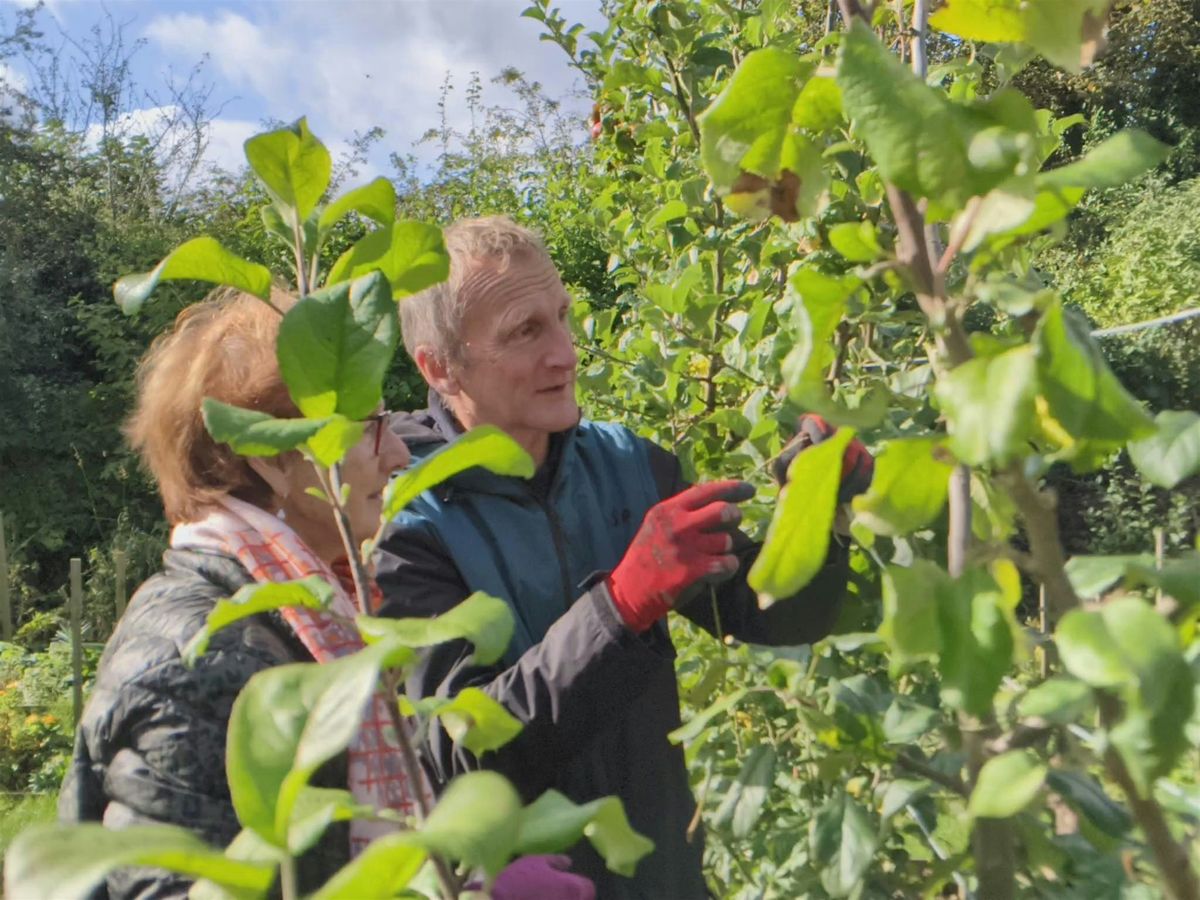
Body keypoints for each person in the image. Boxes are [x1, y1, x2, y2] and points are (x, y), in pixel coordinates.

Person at [375, 216, 873, 898]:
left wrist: (820, 507)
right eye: (526, 331)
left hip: (667, 873)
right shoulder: (408, 524)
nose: (565, 353)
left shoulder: (629, 466)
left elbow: (771, 614)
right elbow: (461, 755)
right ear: (440, 365)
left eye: (562, 317)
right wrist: (620, 606)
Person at [58, 288, 594, 900]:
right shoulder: (203, 654)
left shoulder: (309, 613)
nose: (396, 451)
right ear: (267, 456)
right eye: (365, 428)